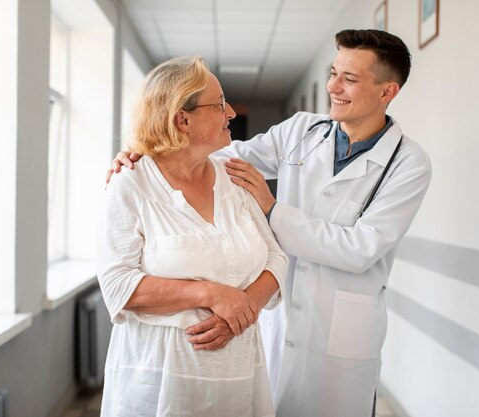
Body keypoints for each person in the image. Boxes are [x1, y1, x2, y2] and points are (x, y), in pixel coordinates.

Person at [107, 29, 432, 417]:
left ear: (387, 92)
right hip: (278, 320)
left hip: (341, 331)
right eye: (333, 72)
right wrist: (144, 153)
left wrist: (272, 208)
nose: (334, 86)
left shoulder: (407, 164)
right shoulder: (301, 131)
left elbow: (360, 249)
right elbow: (219, 155)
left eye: (350, 79)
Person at [97, 56, 288, 417]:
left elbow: (276, 258)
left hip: (238, 376)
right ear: (182, 119)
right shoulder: (130, 183)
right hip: (160, 380)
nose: (230, 112)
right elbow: (118, 285)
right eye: (218, 105)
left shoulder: (233, 177)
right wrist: (212, 294)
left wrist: (242, 310)